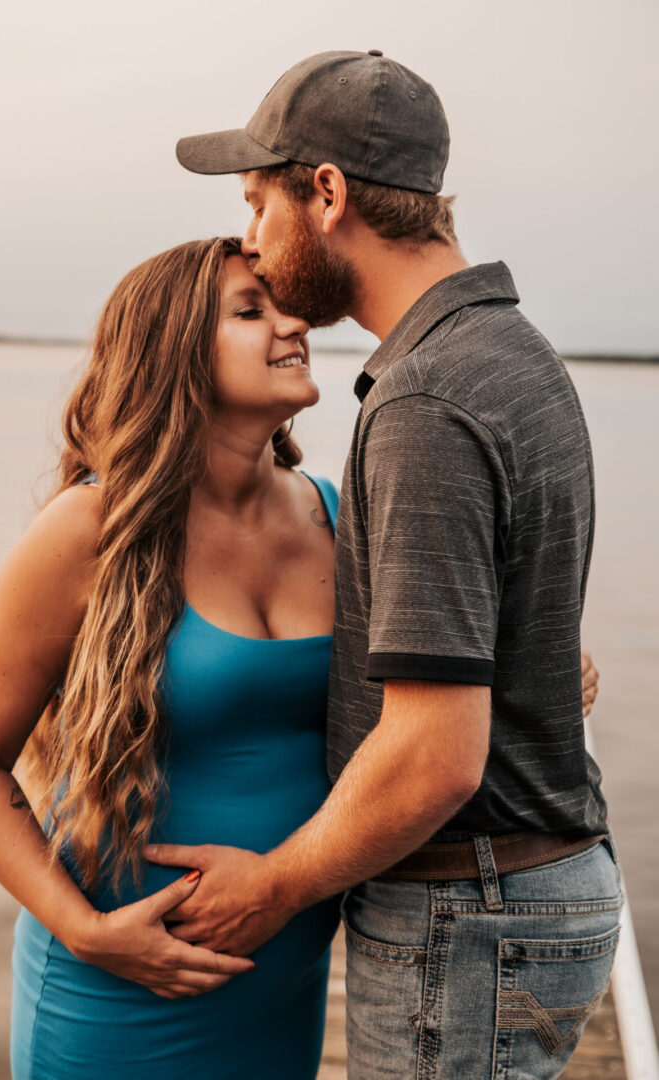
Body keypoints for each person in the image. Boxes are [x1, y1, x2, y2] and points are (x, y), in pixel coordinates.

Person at [152, 50, 623, 1079]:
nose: (248, 236)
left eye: (256, 200)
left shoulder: (422, 401)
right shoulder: (511, 351)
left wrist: (269, 888)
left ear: (324, 194)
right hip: (537, 881)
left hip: (467, 907)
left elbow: (435, 754)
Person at [0, 237, 343, 1079]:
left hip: (283, 981)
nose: (296, 322)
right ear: (176, 352)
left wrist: (553, 667)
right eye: (251, 310)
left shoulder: (337, 516)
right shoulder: (92, 530)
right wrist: (87, 933)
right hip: (116, 993)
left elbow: (429, 685)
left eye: (285, 305)